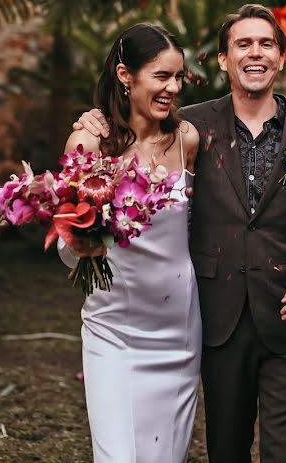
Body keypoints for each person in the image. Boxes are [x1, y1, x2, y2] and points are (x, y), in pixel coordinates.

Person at [75, 4, 286, 462]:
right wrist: (95, 118)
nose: (256, 53)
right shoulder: (189, 128)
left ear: (281, 57)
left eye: (266, 43)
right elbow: (131, 126)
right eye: (242, 44)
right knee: (225, 453)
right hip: (216, 320)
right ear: (223, 60)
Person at [60, 23, 202, 463]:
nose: (172, 88)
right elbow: (68, 239)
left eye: (178, 77)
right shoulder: (90, 141)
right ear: (126, 75)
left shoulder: (187, 140)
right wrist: (83, 246)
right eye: (161, 76)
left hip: (178, 329)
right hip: (113, 328)